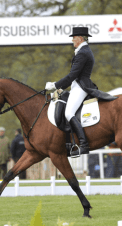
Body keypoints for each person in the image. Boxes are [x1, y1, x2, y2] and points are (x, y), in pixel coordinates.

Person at [44, 27, 116, 157]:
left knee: (69, 112)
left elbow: (72, 75)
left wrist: (55, 85)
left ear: (80, 38)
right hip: (77, 85)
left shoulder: (83, 52)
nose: (72, 40)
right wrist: (61, 88)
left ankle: (84, 144)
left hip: (81, 86)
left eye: (74, 37)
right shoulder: (83, 51)